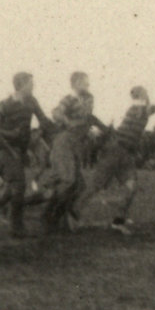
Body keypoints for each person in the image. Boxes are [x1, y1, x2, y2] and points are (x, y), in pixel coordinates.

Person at [79, 79, 155, 233]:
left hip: (125, 154)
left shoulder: (141, 108)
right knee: (95, 187)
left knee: (131, 186)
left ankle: (118, 221)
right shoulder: (138, 109)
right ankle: (69, 214)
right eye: (146, 93)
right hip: (114, 151)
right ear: (141, 95)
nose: (148, 95)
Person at [0, 72, 54, 237]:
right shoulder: (4, 104)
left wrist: (40, 131)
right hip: (7, 149)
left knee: (11, 190)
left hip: (21, 150)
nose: (33, 86)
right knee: (19, 185)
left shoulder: (32, 101)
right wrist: (10, 134)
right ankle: (16, 227)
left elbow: (43, 119)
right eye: (31, 83)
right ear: (21, 85)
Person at [41, 71, 107, 233]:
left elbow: (89, 117)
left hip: (75, 145)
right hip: (64, 143)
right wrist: (67, 121)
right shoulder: (68, 99)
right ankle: (49, 214)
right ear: (76, 83)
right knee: (69, 181)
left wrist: (101, 129)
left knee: (79, 186)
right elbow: (56, 112)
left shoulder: (88, 98)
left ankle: (57, 216)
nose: (88, 85)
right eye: (85, 82)